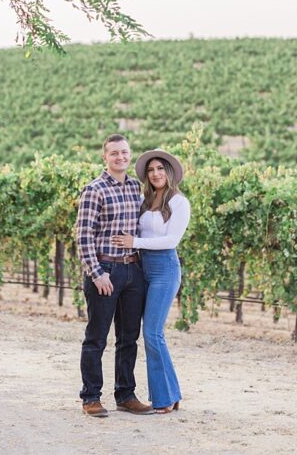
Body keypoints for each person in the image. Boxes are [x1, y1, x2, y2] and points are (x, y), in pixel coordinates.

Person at [76, 134, 154, 417]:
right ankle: (91, 397)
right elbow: (83, 236)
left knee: (129, 337)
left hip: (133, 270)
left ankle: (125, 394)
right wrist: (96, 274)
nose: (120, 157)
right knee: (97, 337)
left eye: (124, 152)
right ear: (104, 157)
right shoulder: (94, 189)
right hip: (105, 271)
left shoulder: (136, 188)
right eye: (114, 153)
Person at [111, 149, 190, 413]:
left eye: (160, 169)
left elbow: (171, 241)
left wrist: (135, 243)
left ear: (169, 172)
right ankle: (171, 393)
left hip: (164, 269)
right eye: (151, 170)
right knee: (145, 333)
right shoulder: (146, 200)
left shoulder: (179, 202)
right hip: (142, 267)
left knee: (152, 333)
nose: (155, 174)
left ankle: (165, 398)